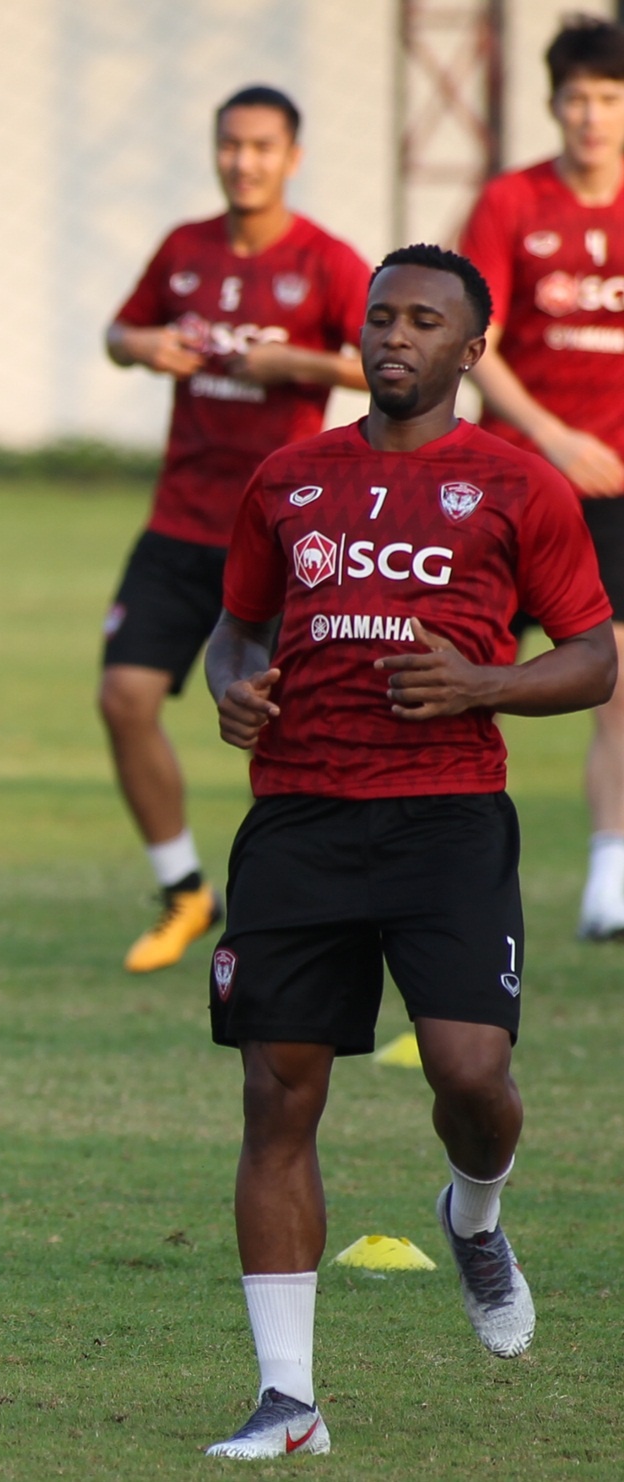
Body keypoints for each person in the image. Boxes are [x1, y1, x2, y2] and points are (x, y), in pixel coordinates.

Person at [201, 244, 614, 1459]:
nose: (394, 336)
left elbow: (592, 658)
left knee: (469, 1077)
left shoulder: (515, 485)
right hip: (297, 819)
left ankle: (472, 1216)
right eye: (381, 317)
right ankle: (288, 1401)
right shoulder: (287, 477)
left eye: (424, 321)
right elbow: (235, 629)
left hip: (445, 818)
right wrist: (233, 688)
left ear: (470, 350)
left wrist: (483, 683)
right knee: (277, 1096)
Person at [103, 85, 370, 974]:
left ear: (293, 157)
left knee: (298, 731)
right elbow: (119, 331)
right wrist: (141, 346)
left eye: (261, 146)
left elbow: (388, 363)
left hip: (286, 534)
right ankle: (184, 890)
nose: (243, 161)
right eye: (230, 145)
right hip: (180, 524)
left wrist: (294, 362)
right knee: (124, 698)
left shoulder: (326, 260)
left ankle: (308, 911)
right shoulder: (185, 248)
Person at [459, 16, 624, 938]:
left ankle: (611, 876)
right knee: (460, 674)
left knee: (617, 678)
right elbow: (474, 341)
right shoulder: (512, 202)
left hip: (614, 497)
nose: (592, 117)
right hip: (511, 484)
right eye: (577, 99)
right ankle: (427, 853)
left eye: (608, 99)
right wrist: (552, 437)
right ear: (553, 104)